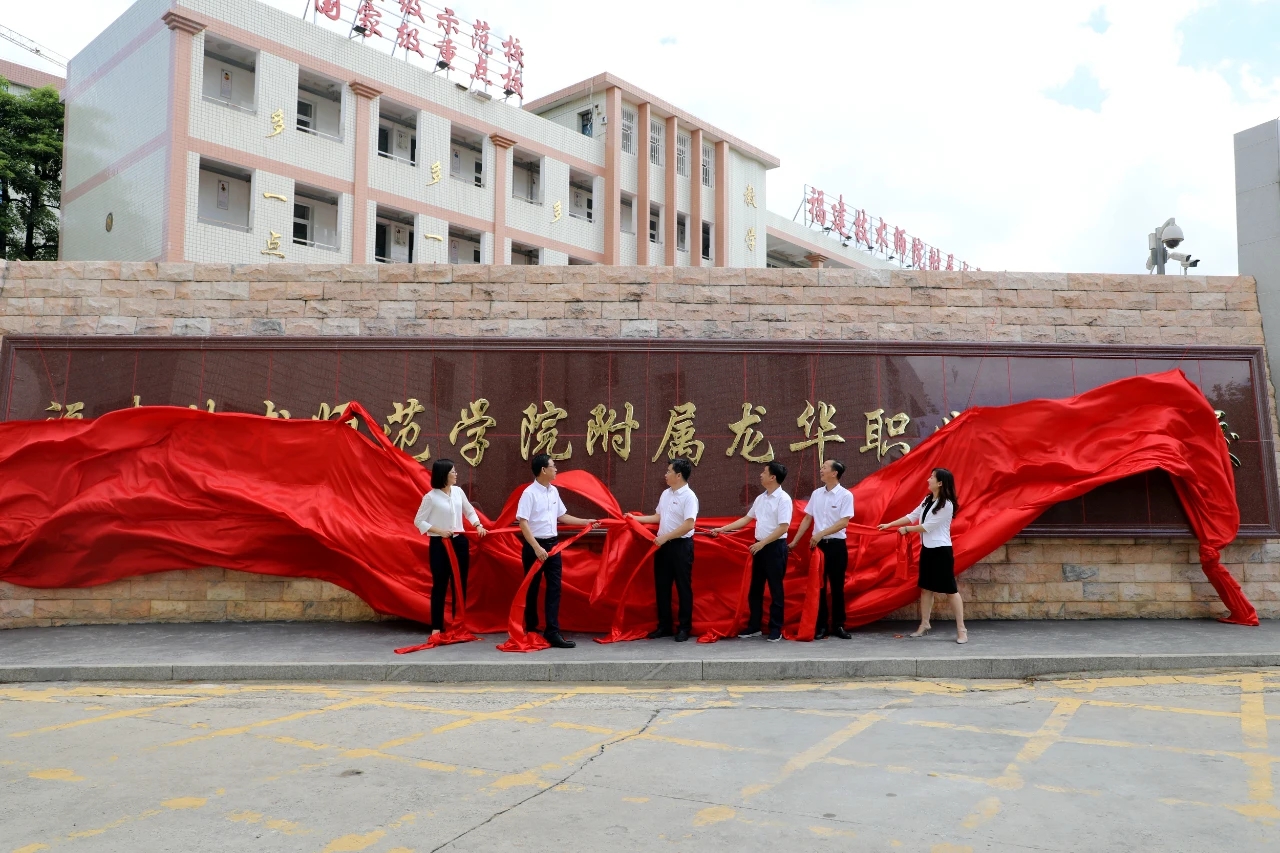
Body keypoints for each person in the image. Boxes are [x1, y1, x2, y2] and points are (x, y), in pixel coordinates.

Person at [516, 453, 599, 649]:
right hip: (533, 546)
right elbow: (523, 523)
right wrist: (536, 548)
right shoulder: (529, 493)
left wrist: (585, 522)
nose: (556, 470)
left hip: (553, 545)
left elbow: (563, 516)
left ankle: (552, 631)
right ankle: (531, 629)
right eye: (553, 466)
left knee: (555, 588)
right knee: (532, 589)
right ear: (543, 470)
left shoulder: (553, 491)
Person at [878, 467, 966, 644]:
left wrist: (907, 530)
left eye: (932, 477)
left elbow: (928, 526)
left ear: (940, 483)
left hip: (941, 551)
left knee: (950, 590)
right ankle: (925, 624)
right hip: (928, 549)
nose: (928, 479)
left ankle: (961, 629)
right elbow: (911, 516)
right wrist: (889, 525)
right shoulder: (927, 500)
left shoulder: (946, 504)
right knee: (925, 588)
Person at [710, 461, 792, 642]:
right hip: (759, 547)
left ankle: (775, 628)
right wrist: (722, 529)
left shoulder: (784, 499)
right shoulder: (761, 498)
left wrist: (762, 543)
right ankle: (754, 626)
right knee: (755, 589)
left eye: (764, 472)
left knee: (776, 590)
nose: (760, 475)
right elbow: (747, 519)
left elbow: (783, 527)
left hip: (774, 547)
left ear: (773, 477)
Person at [414, 459, 488, 637]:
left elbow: (469, 511)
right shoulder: (431, 497)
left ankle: (459, 624)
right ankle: (437, 627)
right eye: (452, 472)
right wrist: (439, 530)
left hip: (459, 542)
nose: (456, 474)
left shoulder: (458, 492)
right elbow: (418, 521)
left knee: (459, 584)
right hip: (439, 544)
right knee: (440, 585)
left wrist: (478, 525)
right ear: (443, 475)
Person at [633, 458, 699, 642]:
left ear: (679, 475)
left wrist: (666, 537)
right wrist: (634, 519)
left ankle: (684, 628)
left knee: (683, 587)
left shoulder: (689, 497)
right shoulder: (665, 494)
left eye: (669, 471)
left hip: (681, 547)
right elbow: (657, 517)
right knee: (662, 587)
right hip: (663, 547)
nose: (666, 474)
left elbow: (688, 525)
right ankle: (664, 626)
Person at [789, 459, 854, 640]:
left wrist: (821, 533)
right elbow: (807, 519)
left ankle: (839, 625)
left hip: (836, 546)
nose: (821, 470)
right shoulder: (817, 494)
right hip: (818, 547)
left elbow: (844, 522)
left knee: (837, 587)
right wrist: (795, 541)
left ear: (834, 473)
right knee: (819, 587)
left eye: (825, 467)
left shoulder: (845, 495)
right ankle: (822, 626)